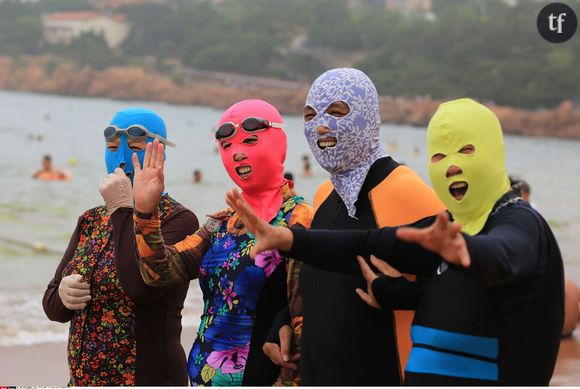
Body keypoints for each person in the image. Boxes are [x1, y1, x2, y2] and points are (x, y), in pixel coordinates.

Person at [226, 98, 565, 386]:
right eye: (438, 157)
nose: (450, 168)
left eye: (466, 150)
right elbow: (365, 244)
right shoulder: (446, 226)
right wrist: (287, 238)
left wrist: (466, 251)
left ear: (495, 153)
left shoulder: (520, 223)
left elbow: (503, 256)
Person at [101, 99, 313, 386]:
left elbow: (305, 314)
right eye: (226, 146)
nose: (237, 154)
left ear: (280, 144)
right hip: (205, 374)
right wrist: (146, 212)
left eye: (250, 141)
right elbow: (157, 272)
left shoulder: (300, 220)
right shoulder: (221, 223)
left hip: (265, 375)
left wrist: (290, 381)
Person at [263, 68, 444, 386]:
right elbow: (319, 285)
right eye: (310, 115)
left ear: (366, 116)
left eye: (336, 112)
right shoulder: (323, 194)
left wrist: (402, 295)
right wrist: (284, 321)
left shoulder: (406, 190)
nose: (320, 125)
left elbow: (460, 288)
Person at [43, 108, 199, 386]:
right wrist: (63, 295)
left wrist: (123, 209)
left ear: (159, 154)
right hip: (85, 380)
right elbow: (53, 307)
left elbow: (140, 287)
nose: (121, 157)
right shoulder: (91, 219)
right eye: (112, 147)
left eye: (136, 148)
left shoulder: (179, 219)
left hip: (147, 376)